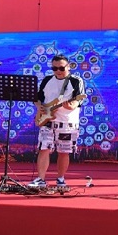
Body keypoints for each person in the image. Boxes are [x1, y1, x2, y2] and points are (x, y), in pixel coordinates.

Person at [28, 54, 85, 189]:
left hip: (67, 122)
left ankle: (60, 178)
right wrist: (39, 107)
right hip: (47, 120)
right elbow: (37, 98)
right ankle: (41, 179)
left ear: (68, 67)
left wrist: (71, 105)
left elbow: (78, 99)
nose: (58, 71)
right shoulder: (47, 80)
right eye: (54, 68)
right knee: (44, 148)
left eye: (61, 68)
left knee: (63, 151)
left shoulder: (76, 81)